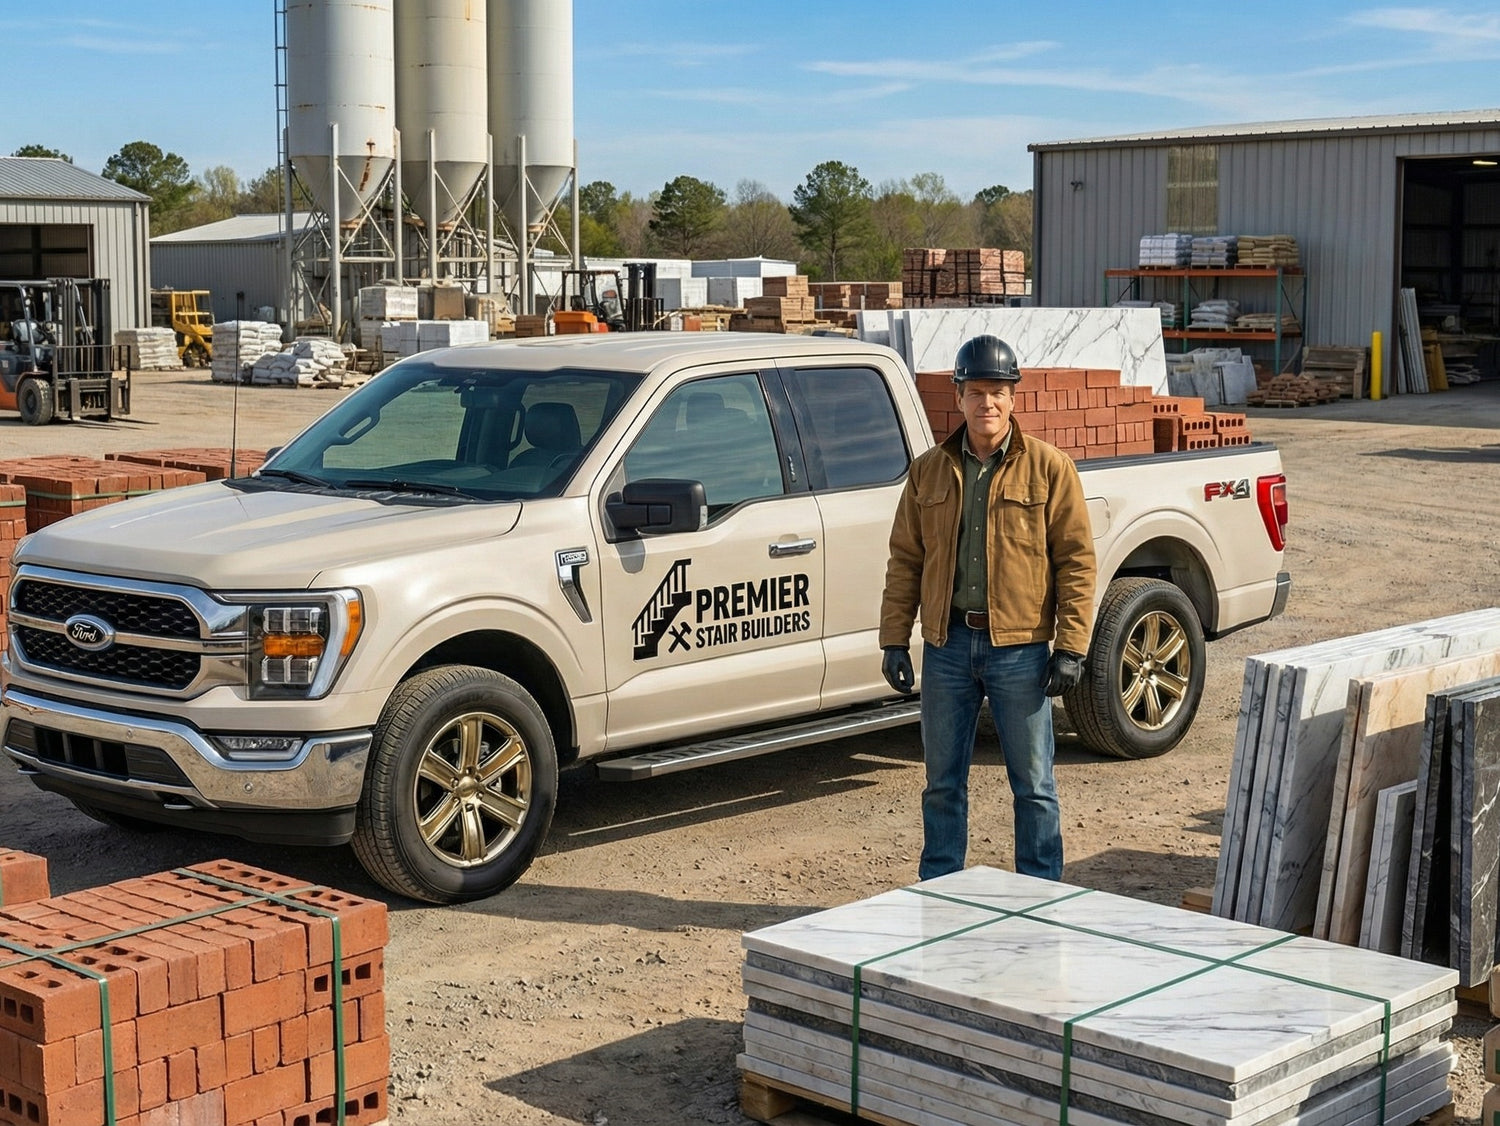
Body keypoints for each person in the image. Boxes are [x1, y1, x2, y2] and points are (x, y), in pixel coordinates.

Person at [879, 334, 1097, 882]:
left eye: (998, 392)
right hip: (947, 647)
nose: (987, 403)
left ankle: (1040, 894)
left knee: (1034, 785)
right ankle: (941, 890)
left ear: (1013, 397)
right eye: (976, 392)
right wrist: (893, 638)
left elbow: (1076, 561)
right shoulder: (928, 471)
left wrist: (1071, 647)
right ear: (959, 397)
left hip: (1019, 652)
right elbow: (906, 560)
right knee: (942, 784)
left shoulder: (1050, 469)